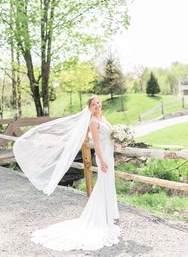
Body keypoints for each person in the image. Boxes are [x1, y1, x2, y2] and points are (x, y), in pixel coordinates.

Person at [13, 95, 120, 252]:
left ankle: (107, 215)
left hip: (109, 155)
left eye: (98, 103)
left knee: (108, 184)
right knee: (102, 185)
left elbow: (110, 135)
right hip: (103, 156)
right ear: (89, 108)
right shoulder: (93, 122)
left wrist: (119, 140)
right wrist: (102, 161)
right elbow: (96, 144)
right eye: (94, 104)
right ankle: (99, 218)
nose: (97, 106)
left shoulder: (103, 118)